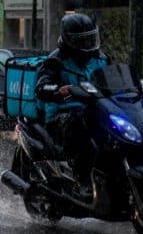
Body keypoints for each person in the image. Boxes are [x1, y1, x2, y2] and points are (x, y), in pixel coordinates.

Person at [35, 13, 109, 199]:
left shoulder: (102, 59)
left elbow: (114, 81)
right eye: (82, 41)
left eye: (90, 39)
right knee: (81, 123)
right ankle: (81, 180)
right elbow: (42, 85)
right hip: (62, 115)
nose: (88, 44)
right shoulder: (55, 61)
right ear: (69, 40)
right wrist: (57, 90)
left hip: (96, 110)